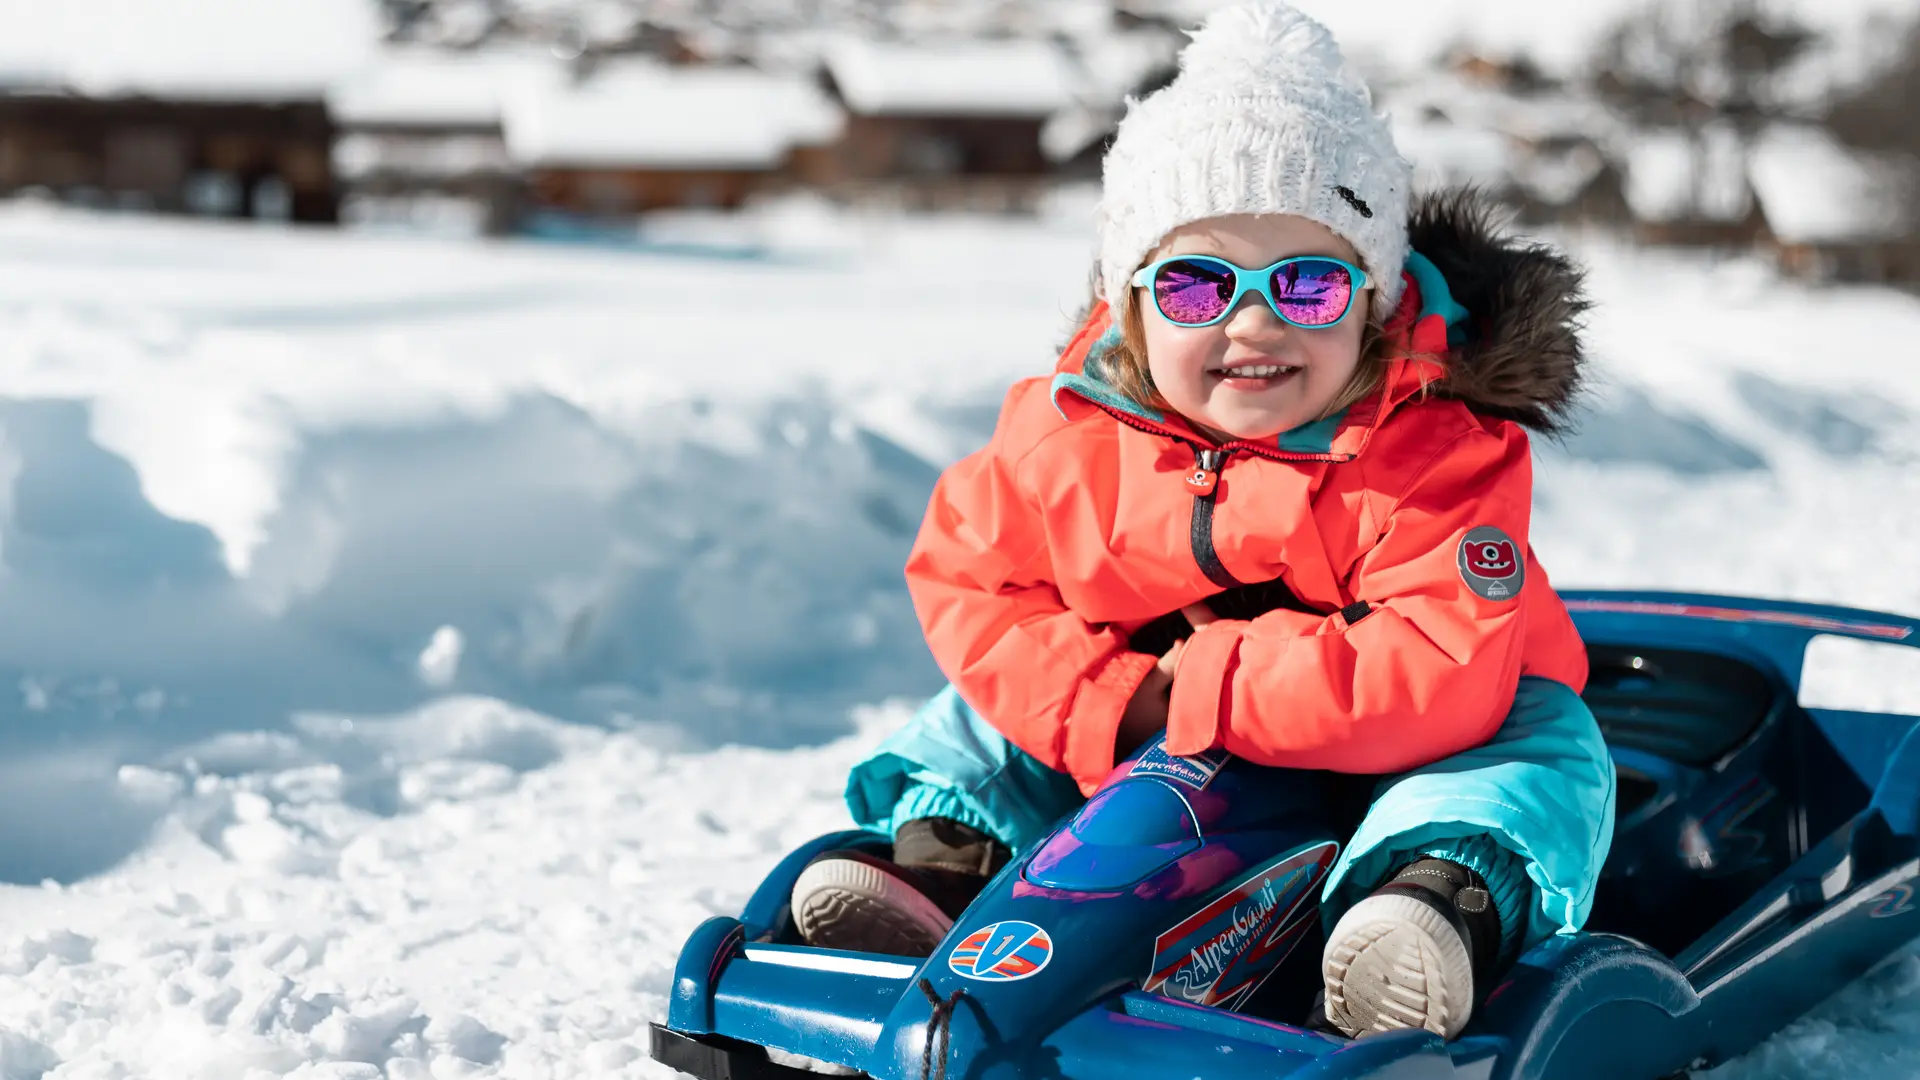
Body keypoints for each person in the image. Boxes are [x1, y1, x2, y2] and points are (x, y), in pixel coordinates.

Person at [789, 0, 1615, 1041]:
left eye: (1310, 284)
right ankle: (946, 876)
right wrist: (1122, 697)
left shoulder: (1430, 453)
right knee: (976, 715)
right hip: (1147, 727)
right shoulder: (1070, 436)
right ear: (1131, 305)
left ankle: (1428, 907)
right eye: (1195, 284)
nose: (1254, 323)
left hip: (1399, 752)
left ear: (1375, 301)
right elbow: (973, 584)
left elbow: (1439, 668)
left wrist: (1199, 687)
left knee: (1544, 747)